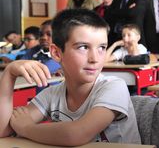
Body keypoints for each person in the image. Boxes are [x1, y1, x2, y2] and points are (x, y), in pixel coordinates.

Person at [0, 9, 141, 145]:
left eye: (101, 47)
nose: (95, 59)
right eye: (83, 47)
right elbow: (3, 130)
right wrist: (9, 74)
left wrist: (27, 128)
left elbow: (77, 134)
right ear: (56, 53)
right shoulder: (51, 95)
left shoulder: (114, 87)